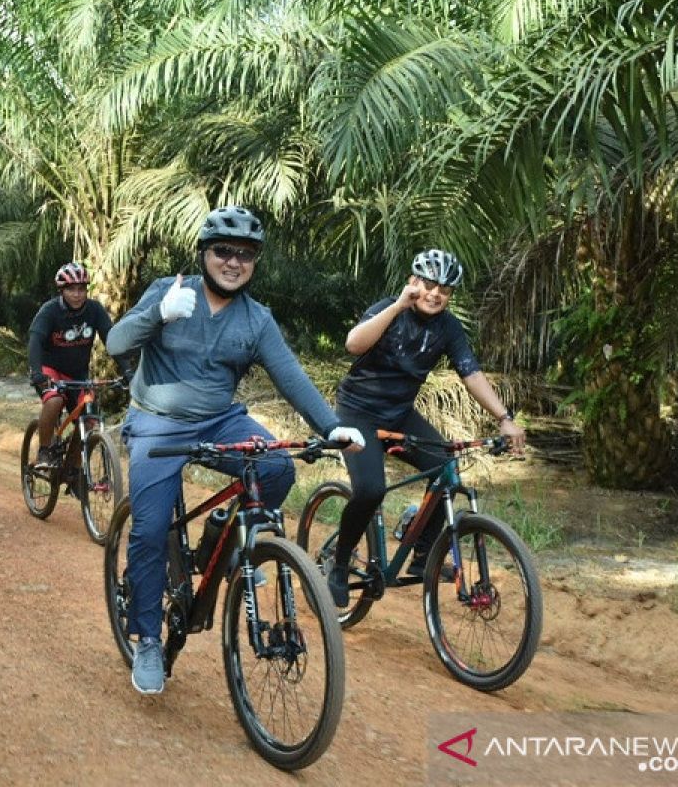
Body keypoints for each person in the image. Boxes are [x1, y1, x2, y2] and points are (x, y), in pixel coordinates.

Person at [106, 205, 364, 695]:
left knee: (275, 467)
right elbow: (118, 340)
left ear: (254, 262)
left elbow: (291, 377)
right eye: (223, 251)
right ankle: (146, 640)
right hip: (158, 423)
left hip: (220, 418)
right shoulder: (170, 290)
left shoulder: (256, 319)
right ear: (204, 253)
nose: (233, 262)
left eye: (245, 255)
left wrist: (332, 428)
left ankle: (224, 536)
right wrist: (157, 316)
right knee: (151, 529)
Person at [326, 249, 526, 607]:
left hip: (400, 414)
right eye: (429, 284)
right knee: (371, 490)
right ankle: (339, 565)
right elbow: (353, 344)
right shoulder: (390, 308)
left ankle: (422, 559)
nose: (436, 293)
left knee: (446, 468)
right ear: (413, 282)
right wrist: (398, 306)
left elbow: (471, 373)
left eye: (444, 289)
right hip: (358, 412)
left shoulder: (448, 327)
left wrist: (504, 418)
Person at [27, 261, 131, 466]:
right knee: (54, 401)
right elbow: (35, 342)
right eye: (71, 289)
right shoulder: (49, 311)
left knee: (90, 420)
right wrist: (37, 372)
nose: (77, 294)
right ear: (62, 290)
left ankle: (73, 468)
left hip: (78, 374)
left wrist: (127, 369)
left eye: (82, 289)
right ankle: (44, 451)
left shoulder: (94, 310)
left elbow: (112, 341)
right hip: (51, 371)